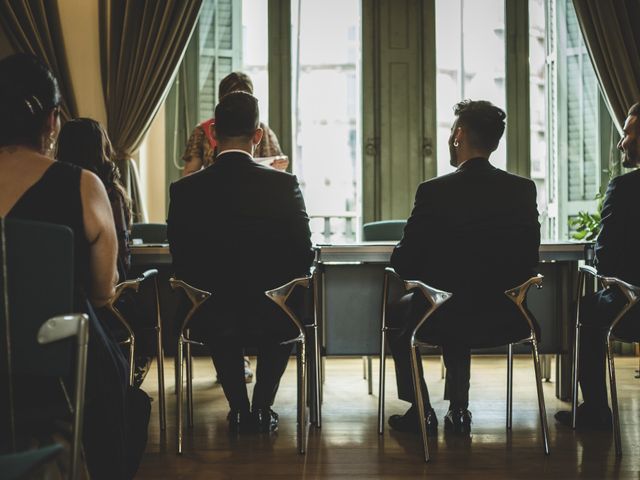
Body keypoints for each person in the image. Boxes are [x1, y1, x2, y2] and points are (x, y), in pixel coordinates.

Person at [0, 53, 149, 479]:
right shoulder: (83, 185)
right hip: (60, 371)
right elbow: (103, 292)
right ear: (52, 121)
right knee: (119, 382)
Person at [387, 100, 540, 435]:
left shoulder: (434, 192)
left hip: (445, 315)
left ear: (458, 135)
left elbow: (404, 262)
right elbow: (530, 261)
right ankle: (458, 410)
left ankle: (421, 410)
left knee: (403, 313)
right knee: (458, 301)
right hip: (507, 317)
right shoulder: (522, 190)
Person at [168, 91, 314, 433]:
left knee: (222, 311)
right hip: (273, 312)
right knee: (285, 305)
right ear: (258, 135)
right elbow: (303, 252)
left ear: (214, 132)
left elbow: (181, 255)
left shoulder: (186, 190)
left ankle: (237, 408)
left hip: (209, 313)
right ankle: (262, 407)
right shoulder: (284, 185)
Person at [555, 102, 640, 430]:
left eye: (627, 134)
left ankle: (595, 411)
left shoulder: (624, 189)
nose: (621, 143)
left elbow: (604, 262)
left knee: (584, 310)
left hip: (631, 309)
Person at [57, 118, 132, 281]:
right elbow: (123, 255)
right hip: (108, 285)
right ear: (101, 148)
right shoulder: (111, 193)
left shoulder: (54, 191)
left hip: (64, 282)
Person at [181, 71, 288, 176]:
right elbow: (190, 174)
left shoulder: (262, 130)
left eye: (244, 100)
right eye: (232, 100)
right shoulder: (202, 131)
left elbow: (276, 166)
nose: (238, 106)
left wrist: (279, 163)